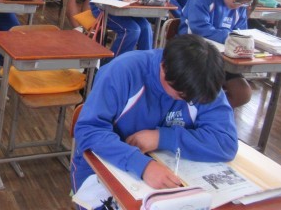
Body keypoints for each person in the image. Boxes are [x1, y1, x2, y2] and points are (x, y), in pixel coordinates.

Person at [71, 34, 237, 206]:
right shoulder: (124, 71)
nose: (189, 101)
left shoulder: (201, 81)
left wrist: (161, 137)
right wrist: (142, 165)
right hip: (103, 166)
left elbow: (225, 142)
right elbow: (88, 130)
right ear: (163, 68)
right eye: (181, 96)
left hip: (170, 173)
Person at [178, 0, 257, 107]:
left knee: (243, 93)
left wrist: (241, 41)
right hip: (194, 51)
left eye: (244, 4)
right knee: (205, 89)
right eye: (237, 0)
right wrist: (229, 37)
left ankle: (211, 113)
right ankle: (196, 112)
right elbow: (199, 28)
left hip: (222, 56)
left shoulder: (240, 6)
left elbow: (240, 32)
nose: (238, 6)